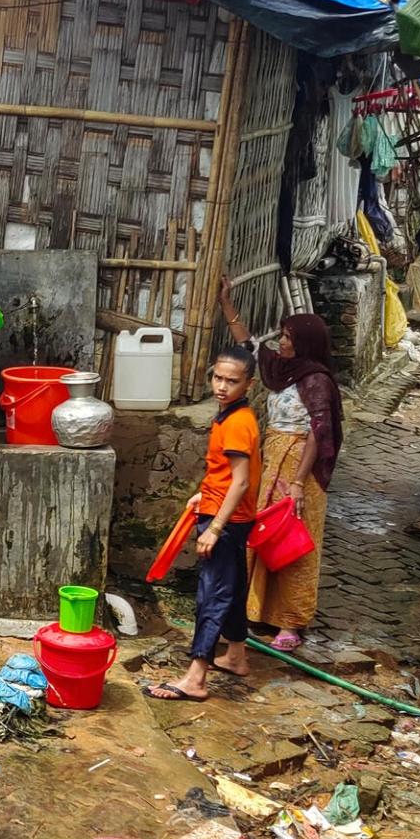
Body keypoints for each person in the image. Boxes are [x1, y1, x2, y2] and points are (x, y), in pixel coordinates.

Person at [220, 280, 344, 651]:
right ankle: (257, 611)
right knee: (263, 536)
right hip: (271, 459)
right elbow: (250, 344)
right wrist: (227, 305)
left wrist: (297, 483)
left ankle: (290, 622)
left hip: (298, 472)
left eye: (289, 337)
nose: (283, 342)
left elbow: (317, 435)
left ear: (305, 343)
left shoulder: (317, 381)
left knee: (294, 542)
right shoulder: (282, 369)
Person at [146, 345, 260, 702]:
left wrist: (214, 527)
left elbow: (241, 481)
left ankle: (196, 678)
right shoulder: (229, 414)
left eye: (232, 381)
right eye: (218, 378)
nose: (222, 386)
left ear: (249, 384)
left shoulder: (239, 423)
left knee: (212, 594)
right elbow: (225, 474)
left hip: (226, 520)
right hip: (225, 511)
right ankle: (237, 656)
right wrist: (203, 494)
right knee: (234, 586)